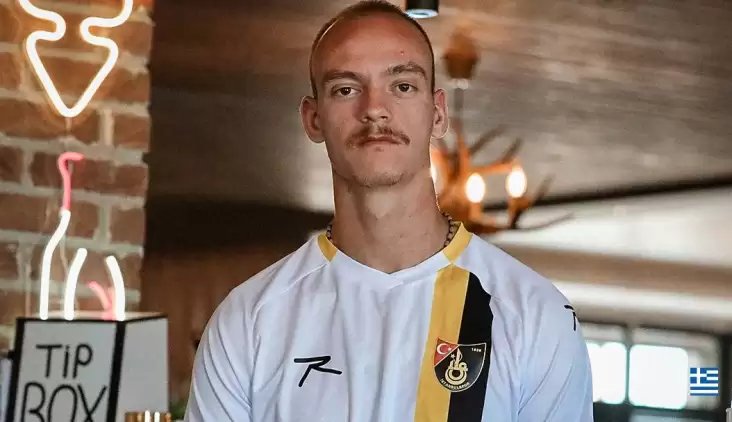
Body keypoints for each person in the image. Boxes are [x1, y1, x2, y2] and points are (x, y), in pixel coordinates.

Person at [185, 1, 593, 421]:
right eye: (346, 89)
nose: (374, 108)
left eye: (402, 86)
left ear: (438, 113)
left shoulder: (534, 314)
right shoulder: (247, 319)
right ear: (313, 119)